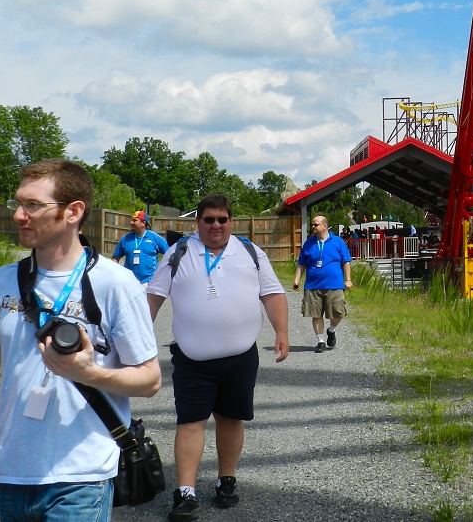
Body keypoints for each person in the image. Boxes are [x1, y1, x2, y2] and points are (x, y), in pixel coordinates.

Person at [0, 159, 161, 522]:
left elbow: (150, 380)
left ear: (73, 212)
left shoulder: (115, 284)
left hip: (81, 475)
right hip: (11, 472)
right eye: (18, 203)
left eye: (34, 205)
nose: (19, 215)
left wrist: (89, 373)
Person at [146, 194, 288, 522]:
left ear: (230, 222)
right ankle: (186, 493)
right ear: (198, 222)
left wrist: (282, 332)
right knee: (190, 422)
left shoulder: (251, 253)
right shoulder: (179, 253)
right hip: (192, 359)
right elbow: (153, 297)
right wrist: (136, 342)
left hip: (239, 358)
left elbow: (272, 293)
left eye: (222, 219)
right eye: (208, 219)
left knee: (230, 419)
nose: (215, 225)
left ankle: (227, 481)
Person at [292, 215, 352, 354]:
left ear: (324, 226)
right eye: (312, 224)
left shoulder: (337, 242)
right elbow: (301, 263)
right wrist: (297, 279)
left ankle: (331, 330)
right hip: (313, 286)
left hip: (334, 285)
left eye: (315, 225)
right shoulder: (309, 243)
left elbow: (346, 261)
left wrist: (348, 279)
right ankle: (320, 341)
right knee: (316, 314)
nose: (313, 227)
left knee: (337, 313)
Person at [113, 211, 168, 287]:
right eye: (132, 220)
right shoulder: (125, 239)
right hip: (129, 282)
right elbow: (115, 259)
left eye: (135, 220)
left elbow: (170, 254)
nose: (131, 222)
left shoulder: (155, 238)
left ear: (143, 223)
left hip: (149, 281)